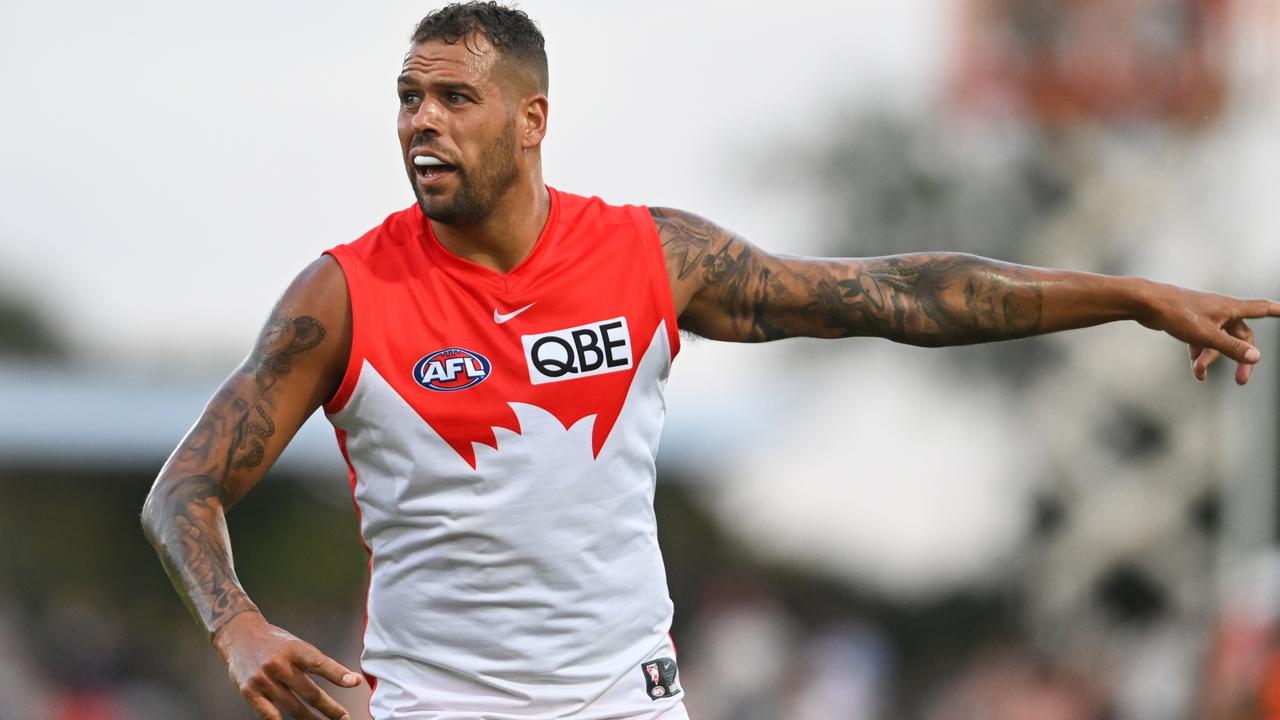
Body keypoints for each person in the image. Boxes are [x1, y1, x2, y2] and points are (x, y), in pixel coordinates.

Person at [140, 3, 1280, 720]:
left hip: (623, 702)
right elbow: (184, 486)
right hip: (431, 706)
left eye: (453, 97)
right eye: (406, 98)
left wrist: (1127, 297)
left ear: (531, 119)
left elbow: (895, 297)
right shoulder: (342, 294)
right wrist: (234, 619)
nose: (419, 123)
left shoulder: (648, 256)